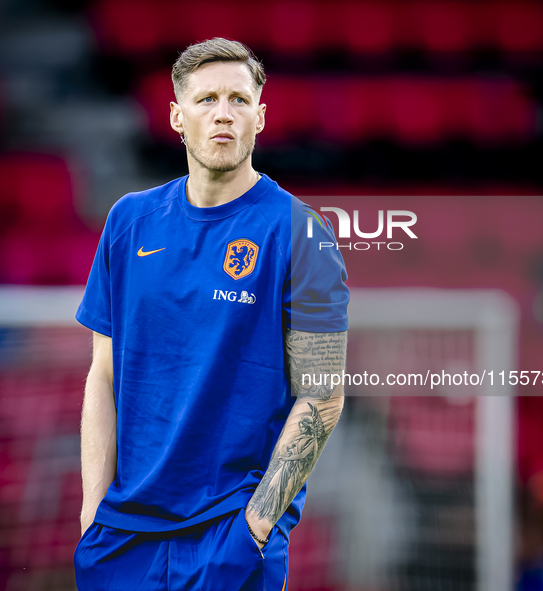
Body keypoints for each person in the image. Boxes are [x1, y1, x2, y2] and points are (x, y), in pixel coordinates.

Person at [73, 37, 349, 591]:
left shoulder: (302, 233)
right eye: (206, 100)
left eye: (239, 99)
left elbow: (323, 395)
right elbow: (102, 374)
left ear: (260, 116)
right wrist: (92, 512)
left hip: (230, 536)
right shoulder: (129, 221)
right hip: (121, 538)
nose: (223, 114)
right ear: (176, 115)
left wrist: (258, 524)